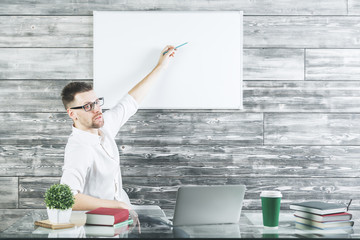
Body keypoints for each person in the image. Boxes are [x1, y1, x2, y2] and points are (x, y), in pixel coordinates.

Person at [60, 45, 176, 211]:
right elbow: (68, 198)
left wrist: (161, 66)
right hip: (98, 224)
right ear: (72, 114)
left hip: (123, 215)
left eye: (96, 102)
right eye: (87, 106)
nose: (96, 109)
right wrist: (117, 205)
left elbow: (130, 102)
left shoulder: (103, 126)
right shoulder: (79, 149)